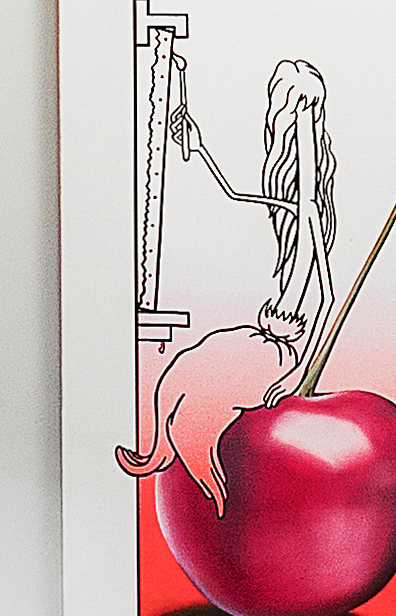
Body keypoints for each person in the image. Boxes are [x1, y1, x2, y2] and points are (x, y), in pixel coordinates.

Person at [139, 43, 340, 471]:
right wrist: (197, 144)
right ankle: (153, 453)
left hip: (285, 352)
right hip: (266, 338)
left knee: (198, 392)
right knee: (182, 368)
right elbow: (234, 194)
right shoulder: (290, 204)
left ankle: (206, 485)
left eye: (301, 107)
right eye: (288, 106)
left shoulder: (309, 213)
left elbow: (326, 296)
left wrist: (294, 376)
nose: (291, 118)